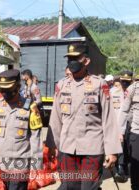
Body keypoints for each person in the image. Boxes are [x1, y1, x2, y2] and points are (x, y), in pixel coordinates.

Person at [46, 43, 122, 190]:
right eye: (69, 59)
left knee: (89, 188)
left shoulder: (99, 84)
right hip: (67, 148)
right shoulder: (62, 85)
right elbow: (55, 118)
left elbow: (109, 118)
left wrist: (112, 150)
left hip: (92, 149)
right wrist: (51, 145)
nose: (71, 62)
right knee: (70, 187)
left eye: (76, 58)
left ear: (86, 61)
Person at [0, 69, 43, 190]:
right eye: (1, 90)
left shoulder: (30, 107)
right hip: (2, 166)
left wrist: (36, 166)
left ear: (17, 87)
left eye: (7, 90)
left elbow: (36, 138)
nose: (4, 93)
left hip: (20, 167)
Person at [119, 80, 139, 190]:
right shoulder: (133, 88)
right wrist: (120, 131)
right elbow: (124, 111)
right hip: (137, 133)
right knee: (136, 168)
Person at [110, 78, 128, 182]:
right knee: (117, 148)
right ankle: (118, 170)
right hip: (114, 125)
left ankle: (122, 169)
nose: (123, 84)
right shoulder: (112, 92)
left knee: (124, 149)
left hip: (126, 125)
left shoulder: (128, 92)